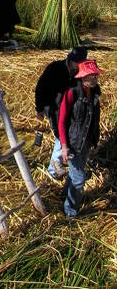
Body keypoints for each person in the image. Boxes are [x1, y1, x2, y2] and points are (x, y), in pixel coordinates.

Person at [58, 59, 103, 218]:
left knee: (75, 173)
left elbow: (94, 117)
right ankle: (70, 211)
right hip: (73, 143)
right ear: (83, 77)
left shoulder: (95, 91)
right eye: (92, 76)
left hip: (87, 142)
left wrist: (94, 138)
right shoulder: (72, 92)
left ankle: (64, 196)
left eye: (96, 76)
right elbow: (62, 120)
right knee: (79, 179)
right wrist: (64, 146)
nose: (95, 79)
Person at [35, 46, 88, 179]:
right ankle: (54, 168)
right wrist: (39, 108)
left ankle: (57, 165)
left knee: (66, 132)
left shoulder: (79, 73)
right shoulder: (55, 68)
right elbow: (40, 87)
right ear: (71, 59)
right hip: (52, 107)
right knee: (61, 133)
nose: (77, 65)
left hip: (69, 108)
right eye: (76, 62)